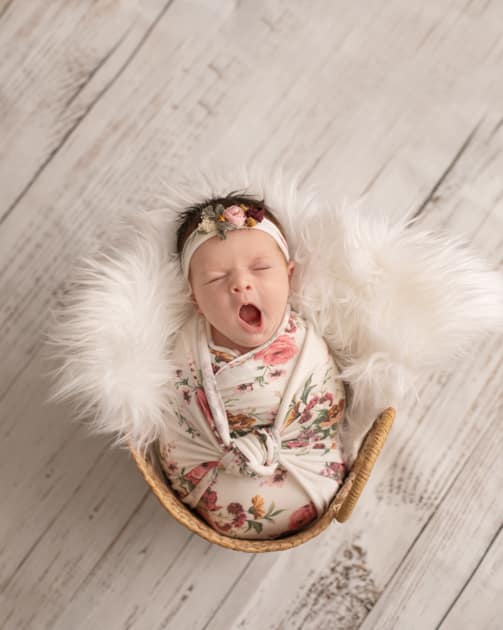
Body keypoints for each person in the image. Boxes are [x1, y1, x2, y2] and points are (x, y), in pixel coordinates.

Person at [158, 194, 347, 539]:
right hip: (206, 485)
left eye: (260, 269)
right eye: (216, 279)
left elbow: (329, 406)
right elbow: (170, 411)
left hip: (308, 477)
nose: (241, 284)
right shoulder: (186, 349)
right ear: (195, 301)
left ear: (290, 277)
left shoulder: (306, 346)